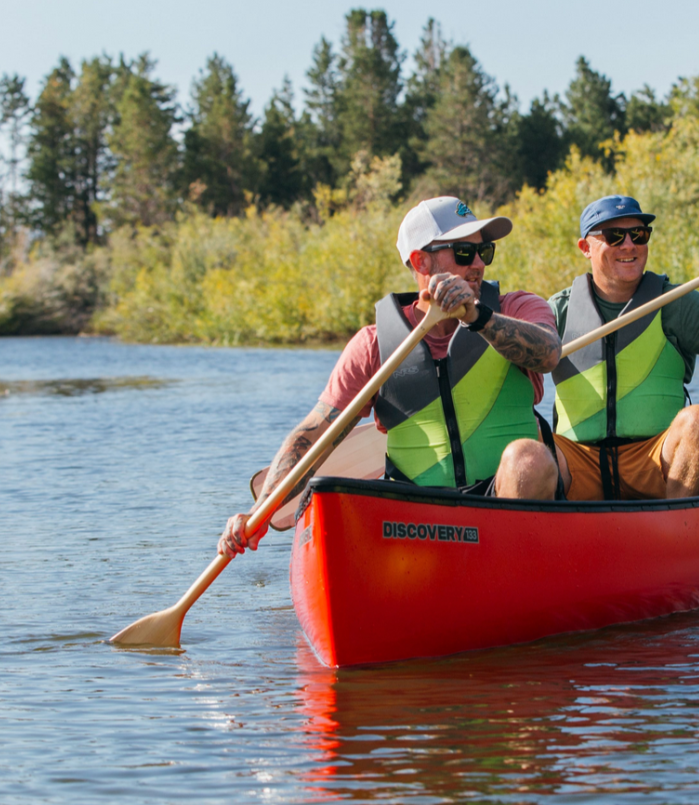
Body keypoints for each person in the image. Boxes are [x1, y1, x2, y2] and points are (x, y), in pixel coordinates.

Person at [219, 195, 562, 560]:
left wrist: (479, 317)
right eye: (464, 252)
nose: (478, 264)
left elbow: (548, 354)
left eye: (484, 251)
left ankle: (511, 570)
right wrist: (260, 513)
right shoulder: (373, 345)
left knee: (529, 457)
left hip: (504, 511)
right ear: (420, 261)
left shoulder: (516, 308)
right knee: (330, 493)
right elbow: (315, 433)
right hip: (417, 518)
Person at [548, 195, 699, 502]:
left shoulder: (676, 303)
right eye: (615, 236)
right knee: (523, 449)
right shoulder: (557, 311)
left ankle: (676, 531)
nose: (629, 245)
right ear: (585, 248)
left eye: (639, 235)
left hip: (656, 461)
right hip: (577, 463)